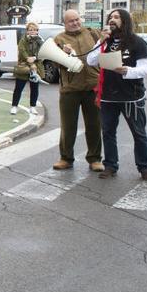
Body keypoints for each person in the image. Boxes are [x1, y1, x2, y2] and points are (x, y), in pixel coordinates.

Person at [87, 9, 147, 181]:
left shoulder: (137, 42)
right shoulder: (105, 42)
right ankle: (110, 165)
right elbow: (91, 61)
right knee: (108, 132)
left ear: (125, 21)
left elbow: (145, 68)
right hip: (108, 96)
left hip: (131, 96)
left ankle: (145, 167)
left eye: (116, 17)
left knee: (138, 133)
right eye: (110, 17)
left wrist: (127, 71)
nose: (112, 20)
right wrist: (100, 41)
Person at [52, 10, 103, 172]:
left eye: (77, 19)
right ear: (65, 23)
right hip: (70, 89)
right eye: (71, 21)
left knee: (94, 125)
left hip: (92, 87)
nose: (75, 23)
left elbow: (104, 51)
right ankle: (66, 158)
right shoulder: (59, 39)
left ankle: (95, 159)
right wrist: (63, 54)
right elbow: (55, 65)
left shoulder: (93, 33)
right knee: (68, 126)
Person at [11, 22, 43, 116]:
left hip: (36, 67)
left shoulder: (40, 40)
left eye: (34, 30)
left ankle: (33, 107)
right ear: (27, 31)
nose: (32, 31)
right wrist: (28, 59)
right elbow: (22, 51)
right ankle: (14, 106)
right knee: (19, 87)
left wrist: (35, 58)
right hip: (24, 66)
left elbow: (42, 52)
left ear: (37, 31)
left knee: (34, 88)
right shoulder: (23, 40)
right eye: (30, 29)